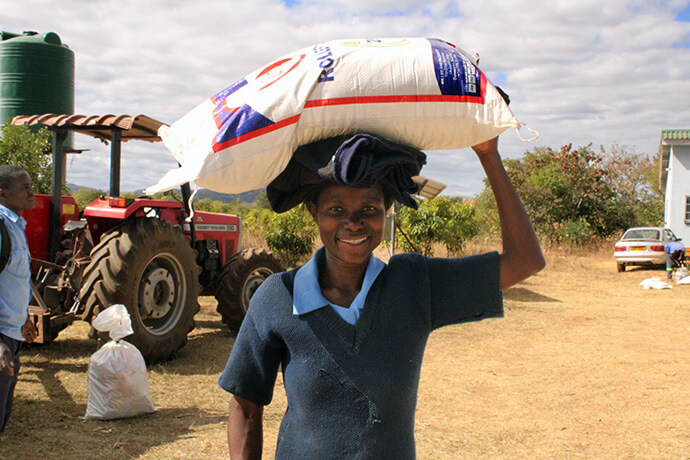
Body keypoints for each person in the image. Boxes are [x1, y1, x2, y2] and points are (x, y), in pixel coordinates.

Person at [219, 133, 545, 459]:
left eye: (369, 208)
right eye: (336, 208)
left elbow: (524, 261)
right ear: (313, 211)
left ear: (386, 212)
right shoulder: (279, 296)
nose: (354, 223)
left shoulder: (414, 285)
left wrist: (489, 154)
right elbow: (246, 407)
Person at [0, 164, 37, 433]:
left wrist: (24, 318)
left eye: (30, 186)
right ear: (2, 193)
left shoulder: (16, 226)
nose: (31, 192)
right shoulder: (1, 228)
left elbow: (14, 280)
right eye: (23, 188)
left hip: (12, 335)